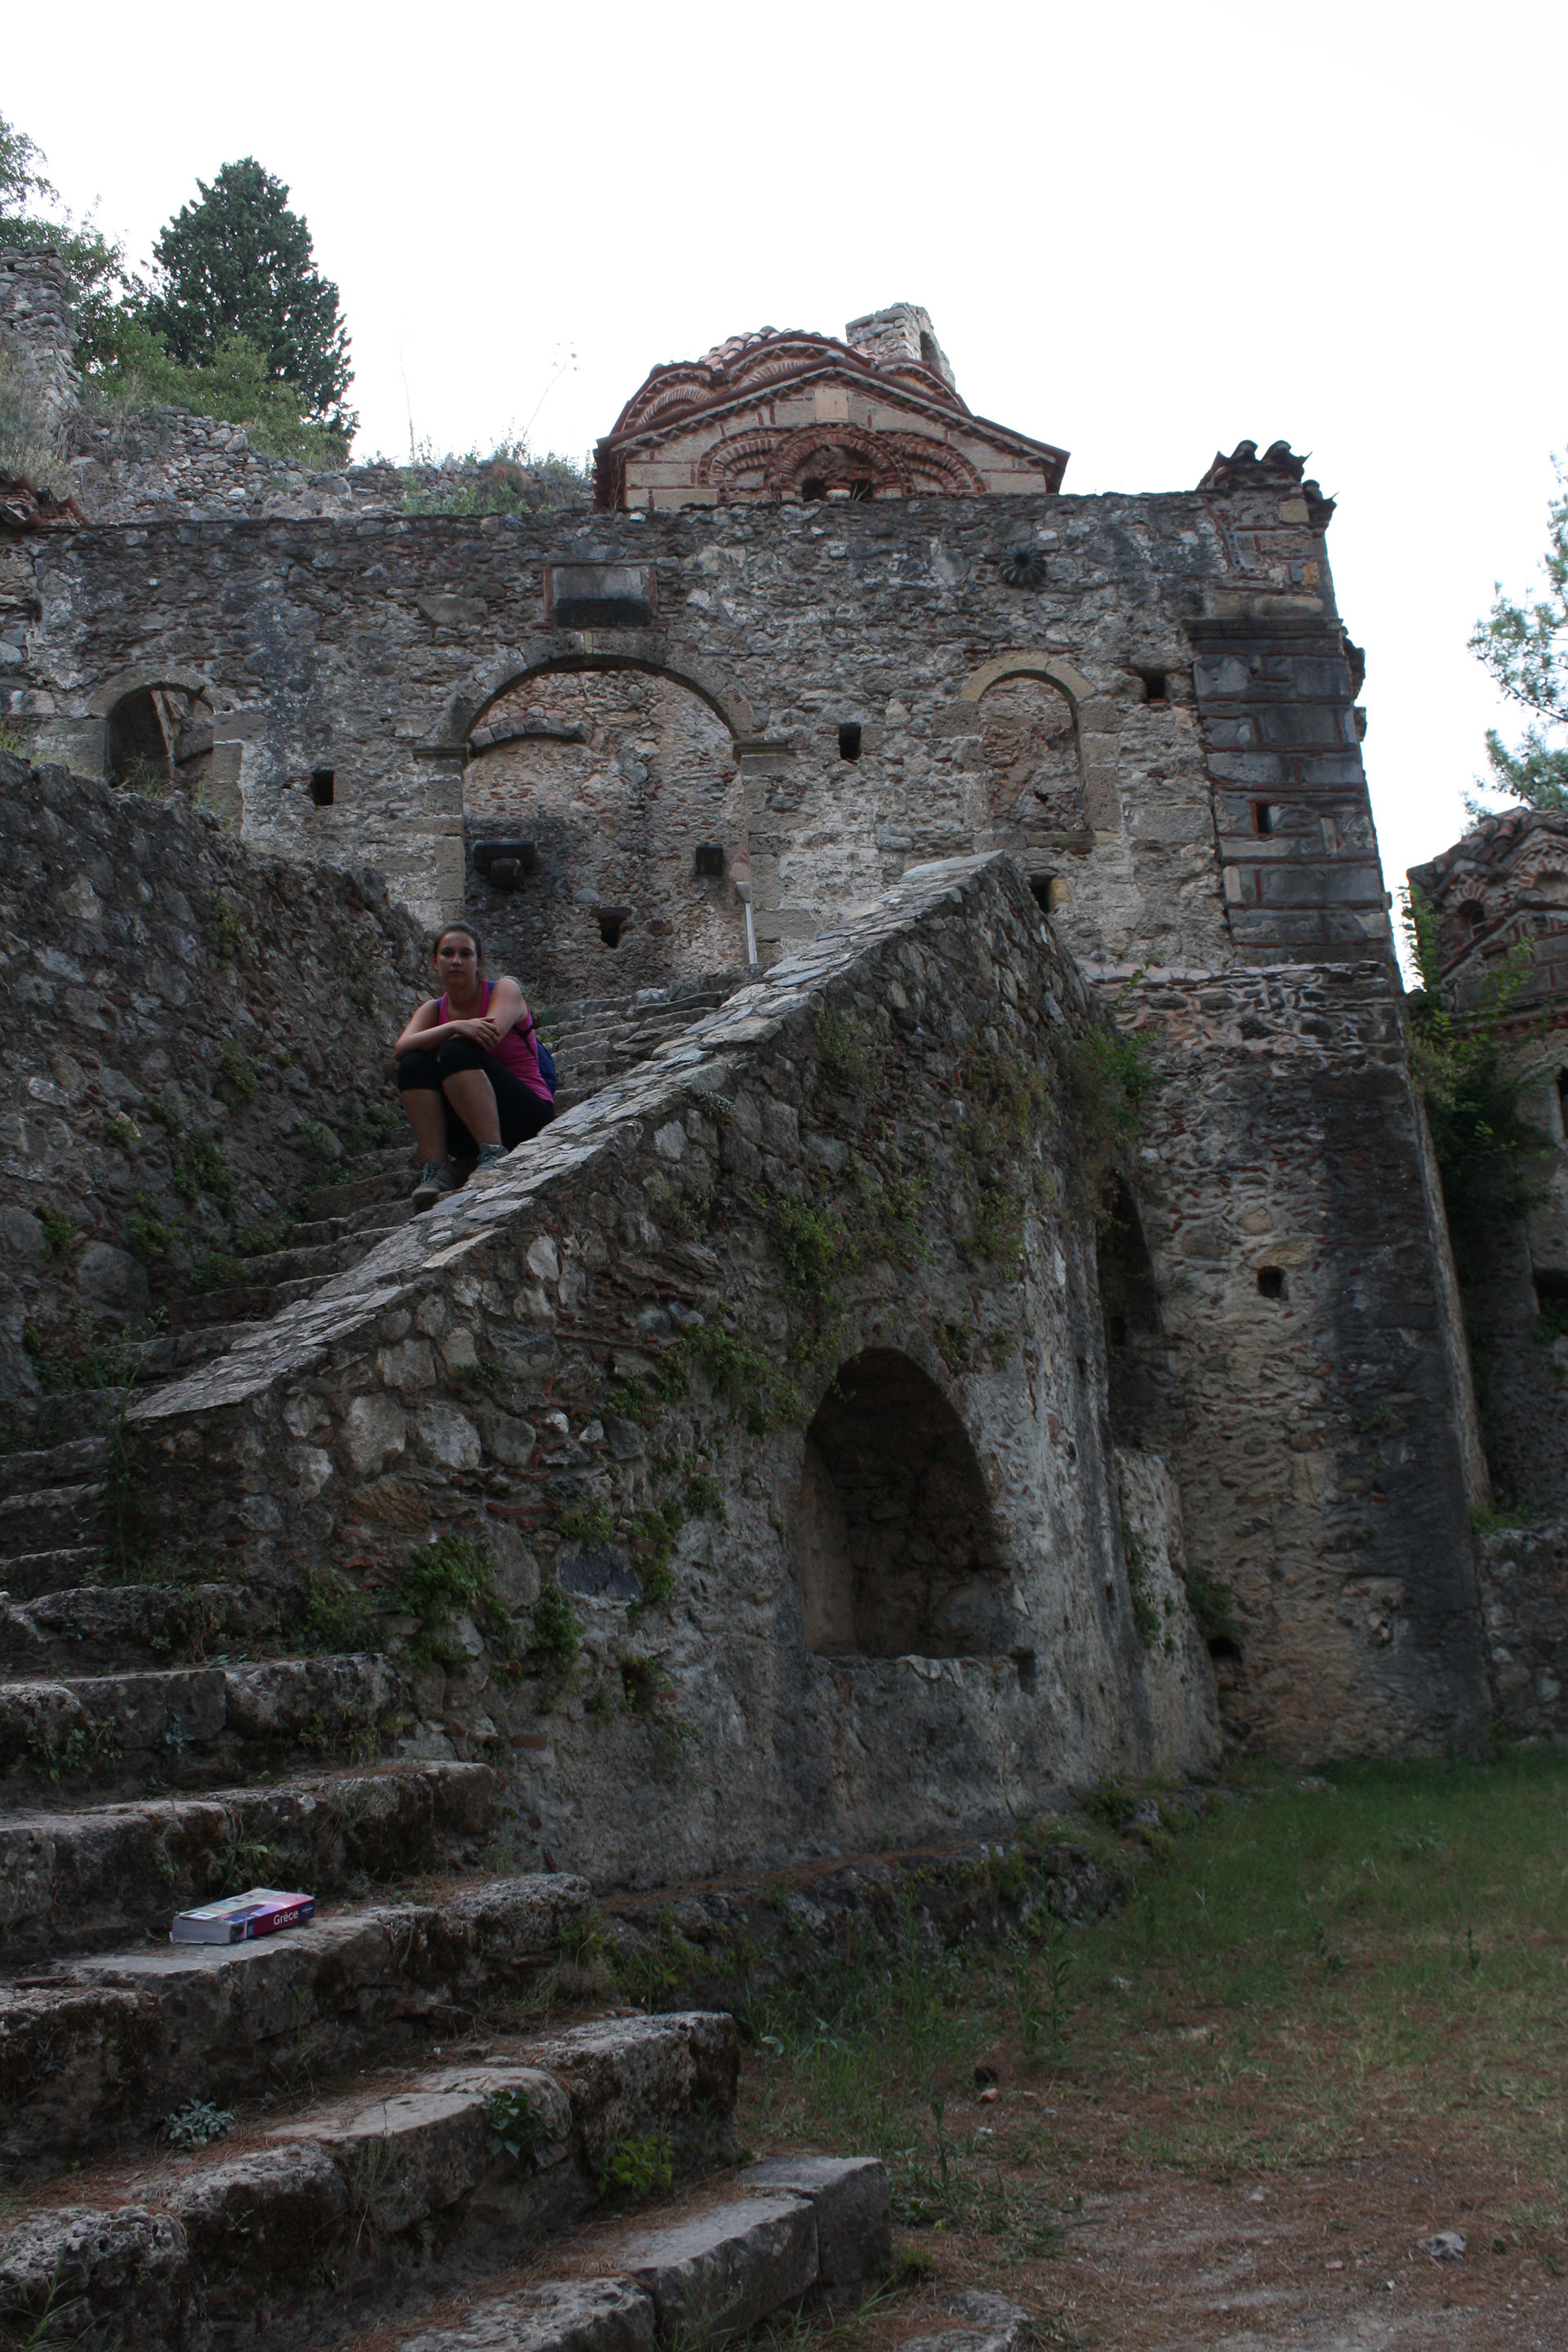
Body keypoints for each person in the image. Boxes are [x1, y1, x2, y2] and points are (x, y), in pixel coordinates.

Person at [394, 922, 554, 1208]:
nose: (456, 961)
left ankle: (494, 1155)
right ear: (435, 962)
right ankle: (437, 1170)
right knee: (412, 1063)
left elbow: (487, 1036)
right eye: (448, 953)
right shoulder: (433, 1009)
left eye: (466, 954)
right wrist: (454, 1025)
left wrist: (451, 1033)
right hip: (467, 1128)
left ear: (479, 962)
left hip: (526, 1115)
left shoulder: (504, 991)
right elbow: (401, 1048)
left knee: (456, 1050)